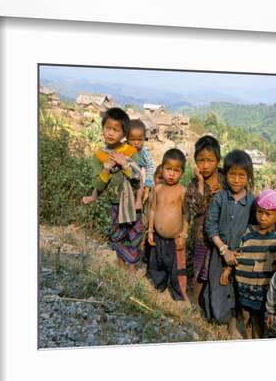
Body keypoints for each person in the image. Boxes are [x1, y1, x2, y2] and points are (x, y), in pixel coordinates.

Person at [82, 107, 143, 272]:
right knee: (118, 237)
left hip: (132, 205)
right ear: (102, 128)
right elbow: (99, 185)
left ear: (124, 134)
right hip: (116, 205)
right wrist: (107, 168)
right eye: (108, 128)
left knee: (134, 237)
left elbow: (138, 178)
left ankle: (131, 273)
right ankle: (122, 270)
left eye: (116, 130)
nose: (110, 133)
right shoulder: (99, 156)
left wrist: (124, 164)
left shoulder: (130, 152)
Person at [203, 150, 255, 337]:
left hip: (242, 257)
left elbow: (252, 232)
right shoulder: (220, 198)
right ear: (225, 174)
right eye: (232, 174)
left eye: (241, 175)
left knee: (237, 292)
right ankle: (216, 322)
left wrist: (235, 255)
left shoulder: (253, 203)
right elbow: (210, 226)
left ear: (249, 177)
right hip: (220, 253)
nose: (236, 179)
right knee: (217, 287)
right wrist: (224, 250)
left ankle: (233, 324)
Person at [227, 189, 276, 339]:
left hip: (267, 291)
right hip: (245, 288)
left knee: (260, 321)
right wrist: (227, 269)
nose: (262, 217)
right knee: (247, 317)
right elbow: (236, 252)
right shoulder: (247, 231)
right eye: (259, 212)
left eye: (268, 214)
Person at [185, 135, 225, 305]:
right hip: (201, 236)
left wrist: (224, 191)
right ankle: (195, 303)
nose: (205, 165)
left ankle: (211, 305)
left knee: (216, 272)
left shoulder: (226, 179)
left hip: (222, 236)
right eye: (201, 160)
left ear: (218, 160)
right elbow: (197, 208)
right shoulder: (194, 183)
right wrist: (201, 183)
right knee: (199, 269)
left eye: (210, 160)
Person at [147, 149, 189, 301]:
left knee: (176, 268)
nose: (171, 174)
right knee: (157, 263)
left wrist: (184, 234)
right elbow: (152, 210)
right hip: (158, 237)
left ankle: (178, 295)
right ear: (162, 168)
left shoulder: (182, 191)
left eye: (176, 171)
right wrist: (150, 231)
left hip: (175, 239)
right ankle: (159, 286)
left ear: (182, 173)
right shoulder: (157, 189)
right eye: (168, 169)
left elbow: (186, 214)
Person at [126, 119, 154, 211]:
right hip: (124, 177)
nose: (136, 143)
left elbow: (149, 165)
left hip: (137, 178)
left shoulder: (144, 153)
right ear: (127, 138)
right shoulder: (124, 148)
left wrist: (149, 180)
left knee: (140, 183)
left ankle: (138, 201)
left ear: (144, 138)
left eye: (139, 140)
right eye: (133, 139)